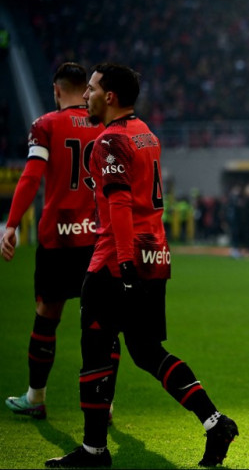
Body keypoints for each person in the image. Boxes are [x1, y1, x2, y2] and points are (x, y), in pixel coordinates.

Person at [45, 63, 238, 468]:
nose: (86, 96)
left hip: (117, 261)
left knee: (95, 351)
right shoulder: (144, 132)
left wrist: (125, 265)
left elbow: (118, 203)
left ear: (109, 96)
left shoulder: (110, 141)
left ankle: (94, 451)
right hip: (156, 256)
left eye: (93, 89)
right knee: (147, 351)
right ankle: (214, 421)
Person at [2, 63, 120, 421]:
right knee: (103, 323)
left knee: (47, 317)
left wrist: (11, 225)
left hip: (58, 240)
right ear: (86, 89)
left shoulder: (46, 125)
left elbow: (31, 176)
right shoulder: (103, 124)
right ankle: (106, 404)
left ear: (56, 90)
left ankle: (36, 397)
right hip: (98, 238)